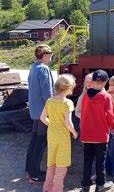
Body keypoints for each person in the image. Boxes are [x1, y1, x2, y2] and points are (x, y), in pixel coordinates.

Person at [40, 74, 78, 192]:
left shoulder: (50, 101)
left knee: (51, 162)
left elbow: (42, 118)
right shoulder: (67, 103)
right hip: (62, 137)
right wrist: (74, 133)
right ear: (68, 88)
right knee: (61, 165)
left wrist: (52, 125)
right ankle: (57, 189)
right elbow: (68, 123)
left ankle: (47, 188)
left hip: (51, 135)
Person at [80, 70, 114, 192]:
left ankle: (85, 185)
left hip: (87, 135)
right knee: (100, 162)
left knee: (87, 161)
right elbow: (110, 116)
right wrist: (110, 126)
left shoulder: (85, 96)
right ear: (105, 82)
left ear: (93, 82)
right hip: (100, 135)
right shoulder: (106, 97)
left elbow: (83, 113)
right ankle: (100, 185)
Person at [26, 44, 54, 183]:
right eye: (50, 54)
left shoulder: (34, 67)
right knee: (41, 142)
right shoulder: (43, 69)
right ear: (44, 55)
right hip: (43, 112)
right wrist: (53, 111)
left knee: (34, 140)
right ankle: (35, 174)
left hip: (35, 111)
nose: (51, 56)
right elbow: (48, 94)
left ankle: (29, 170)